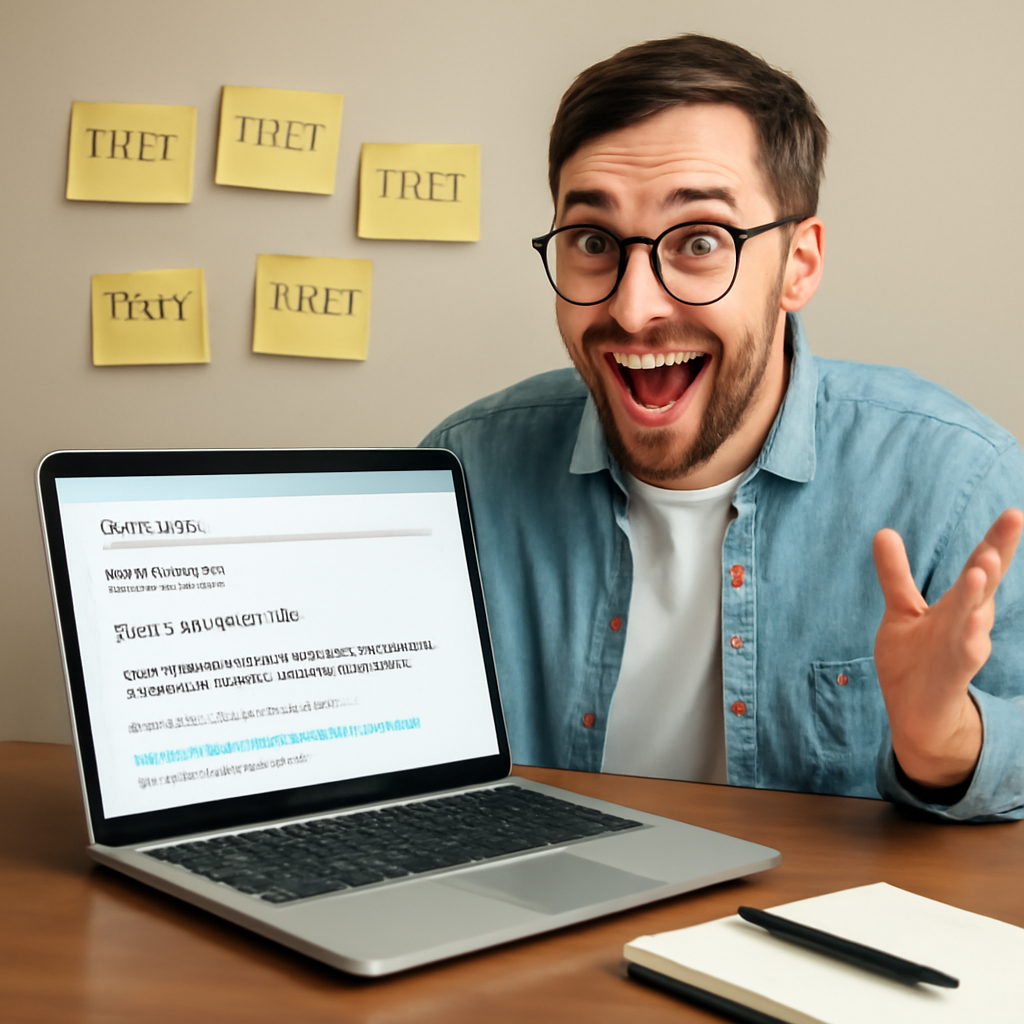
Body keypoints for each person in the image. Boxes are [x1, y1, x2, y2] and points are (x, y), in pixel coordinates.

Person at [421, 34, 1024, 821]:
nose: (633, 308)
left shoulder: (957, 482)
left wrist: (945, 741)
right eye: (594, 243)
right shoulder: (461, 470)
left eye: (700, 242)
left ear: (799, 264)